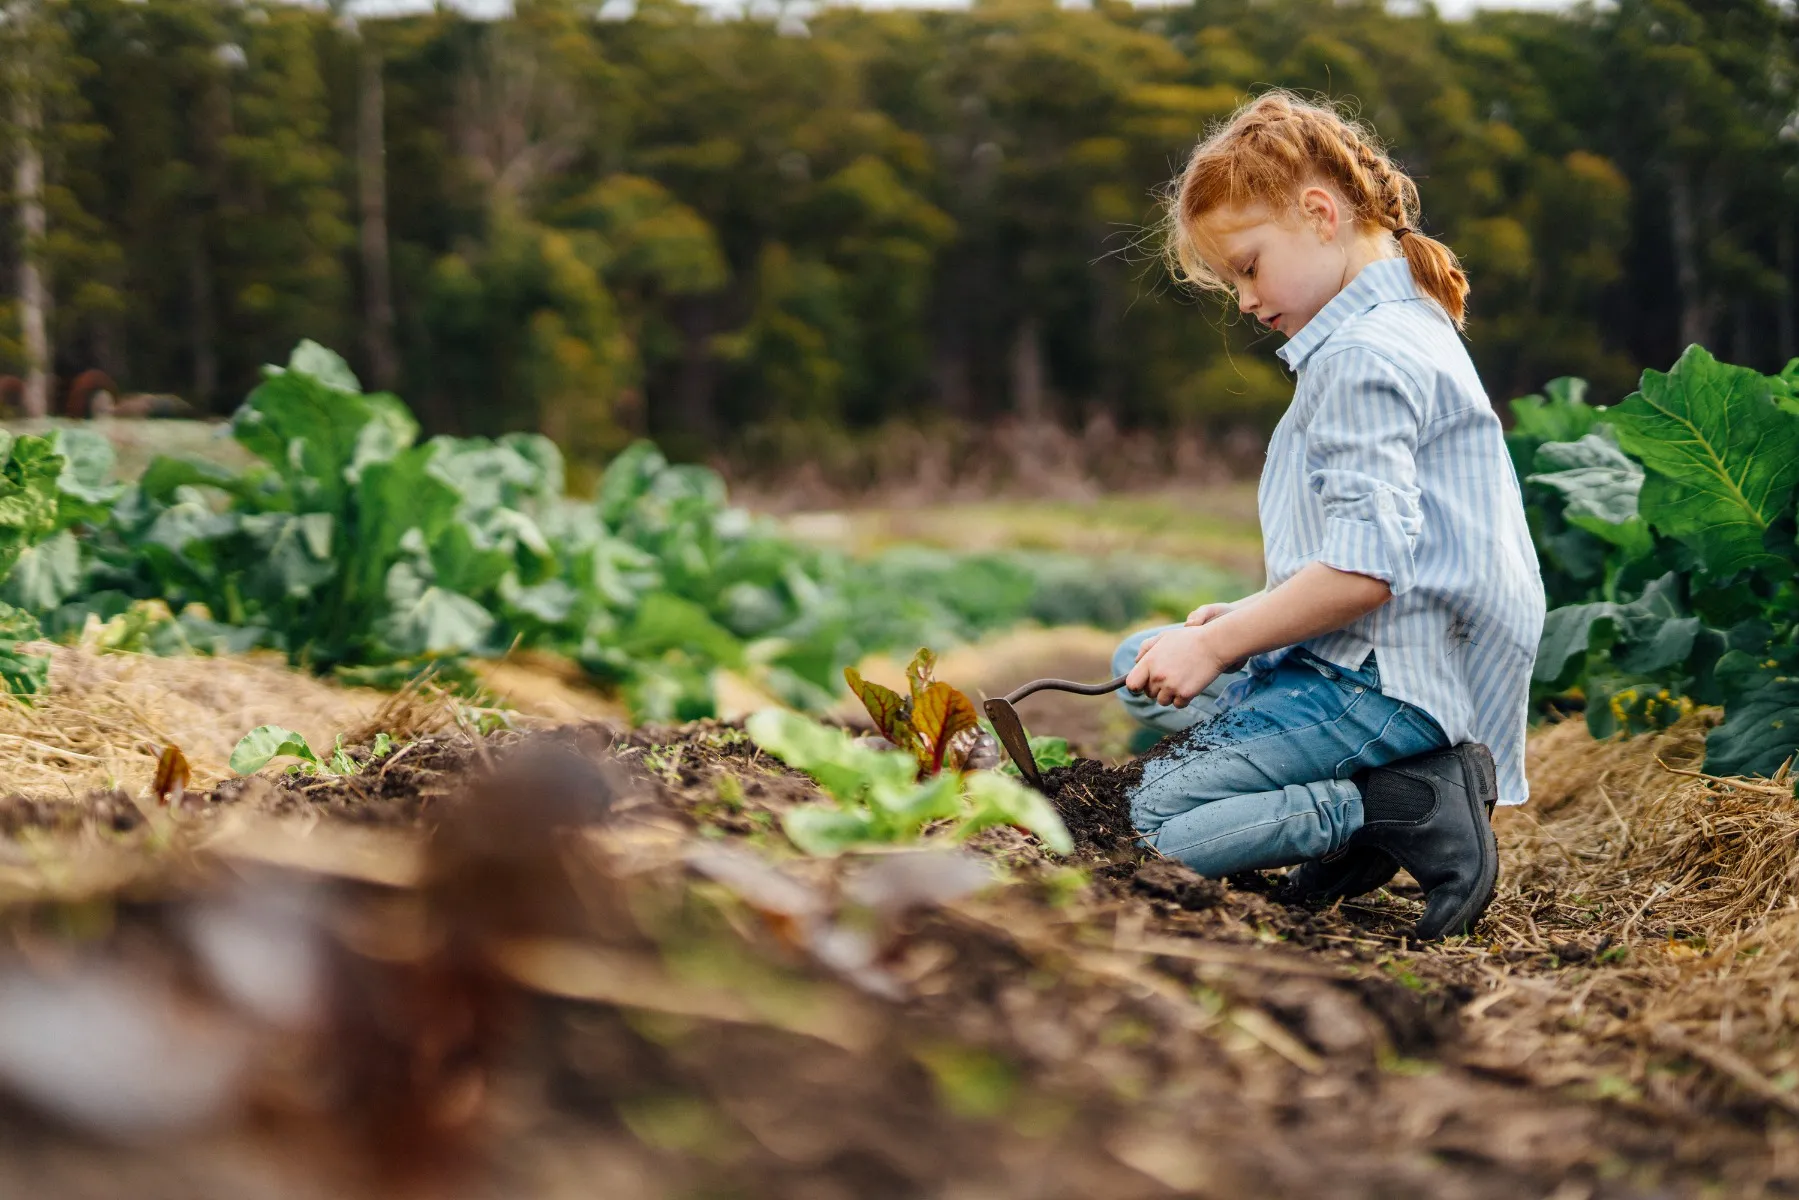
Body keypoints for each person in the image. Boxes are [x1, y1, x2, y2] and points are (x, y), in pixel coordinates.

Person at [1115, 91, 1545, 941]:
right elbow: (1384, 558)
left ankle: (1379, 806)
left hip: (1383, 680)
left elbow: (1363, 573)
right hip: (1393, 651)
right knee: (1139, 662)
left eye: (1246, 267)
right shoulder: (1405, 317)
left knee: (1141, 826)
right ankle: (1401, 776)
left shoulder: (1361, 357)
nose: (1242, 300)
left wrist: (1217, 643)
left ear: (1318, 213)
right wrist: (1241, 622)